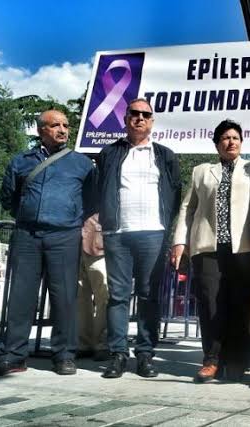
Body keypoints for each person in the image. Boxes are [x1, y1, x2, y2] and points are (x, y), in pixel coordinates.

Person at [0, 110, 95, 377]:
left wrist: (69, 217)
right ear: (40, 130)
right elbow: (8, 197)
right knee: (20, 297)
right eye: (55, 125)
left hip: (64, 237)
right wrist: (28, 214)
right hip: (27, 236)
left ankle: (64, 356)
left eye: (66, 125)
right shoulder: (21, 161)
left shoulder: (82, 164)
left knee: (64, 298)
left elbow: (92, 200)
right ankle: (13, 356)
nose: (63, 130)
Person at [170, 119, 250, 383]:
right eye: (225, 138)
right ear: (216, 144)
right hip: (208, 247)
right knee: (210, 303)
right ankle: (211, 359)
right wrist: (179, 241)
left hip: (243, 248)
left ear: (241, 142)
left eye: (235, 138)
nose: (230, 142)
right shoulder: (201, 172)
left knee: (240, 304)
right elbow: (188, 208)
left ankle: (238, 359)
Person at [96, 98, 181, 379]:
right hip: (117, 234)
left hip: (153, 234)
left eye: (146, 114)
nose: (140, 118)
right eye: (135, 113)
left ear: (152, 121)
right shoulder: (109, 153)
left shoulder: (165, 155)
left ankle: (145, 354)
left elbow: (175, 194)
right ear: (126, 118)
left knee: (149, 296)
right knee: (118, 296)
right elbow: (99, 188)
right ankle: (118, 355)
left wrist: (167, 228)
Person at [77, 213, 110, 361]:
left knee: (104, 295)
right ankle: (84, 344)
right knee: (79, 297)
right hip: (73, 240)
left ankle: (102, 344)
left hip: (98, 240)